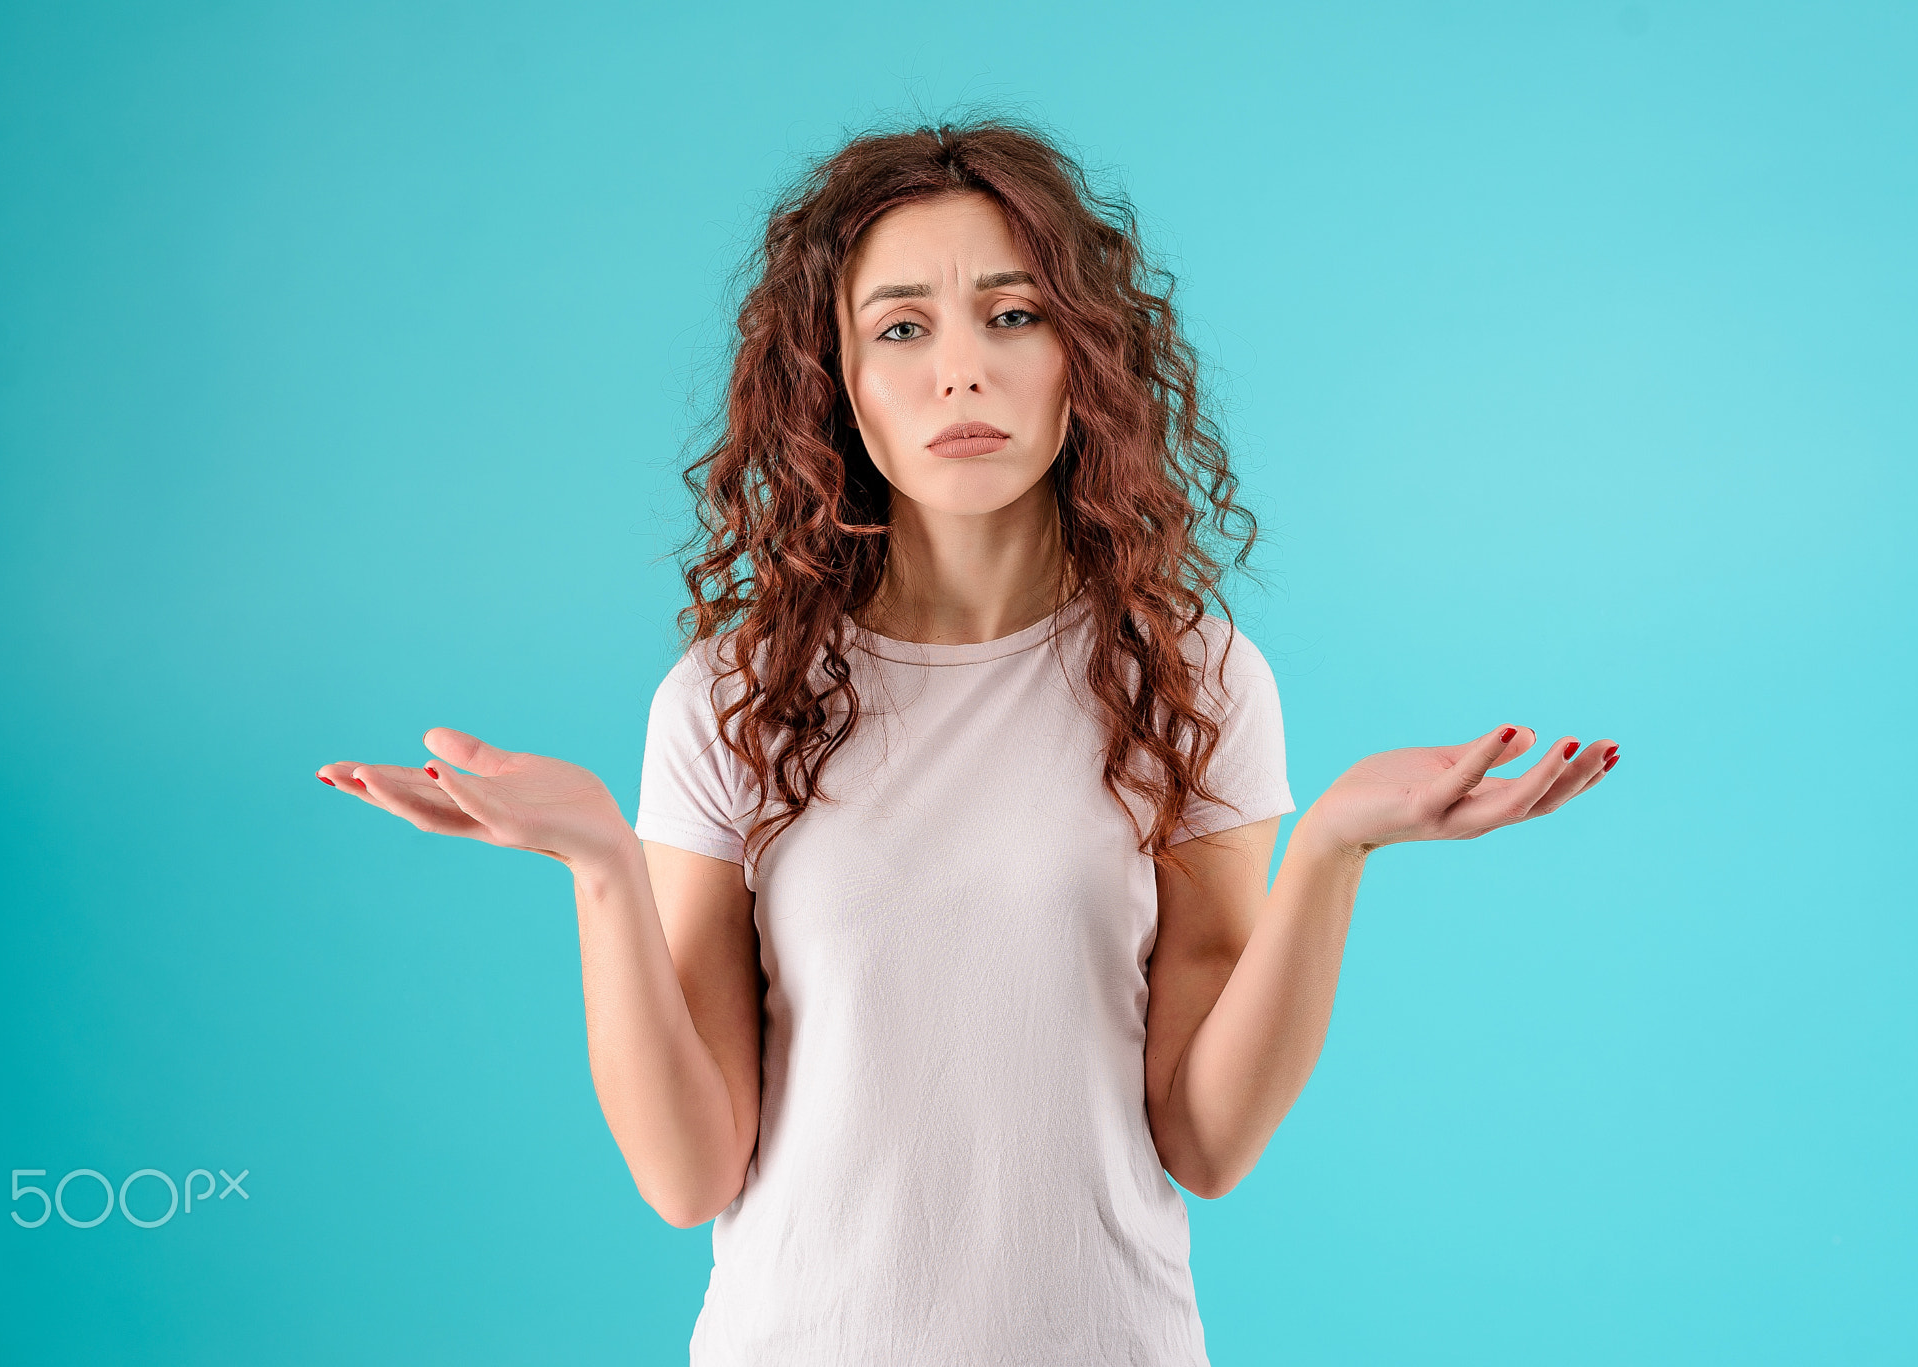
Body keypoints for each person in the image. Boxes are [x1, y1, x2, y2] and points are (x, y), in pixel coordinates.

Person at [317, 119, 1618, 1365]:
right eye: (902, 327)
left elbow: (1207, 1143)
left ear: (1085, 358)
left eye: (1013, 314)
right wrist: (601, 865)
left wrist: (1332, 851)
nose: (962, 370)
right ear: (840, 384)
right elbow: (686, 1174)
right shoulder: (728, 698)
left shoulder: (1196, 679)